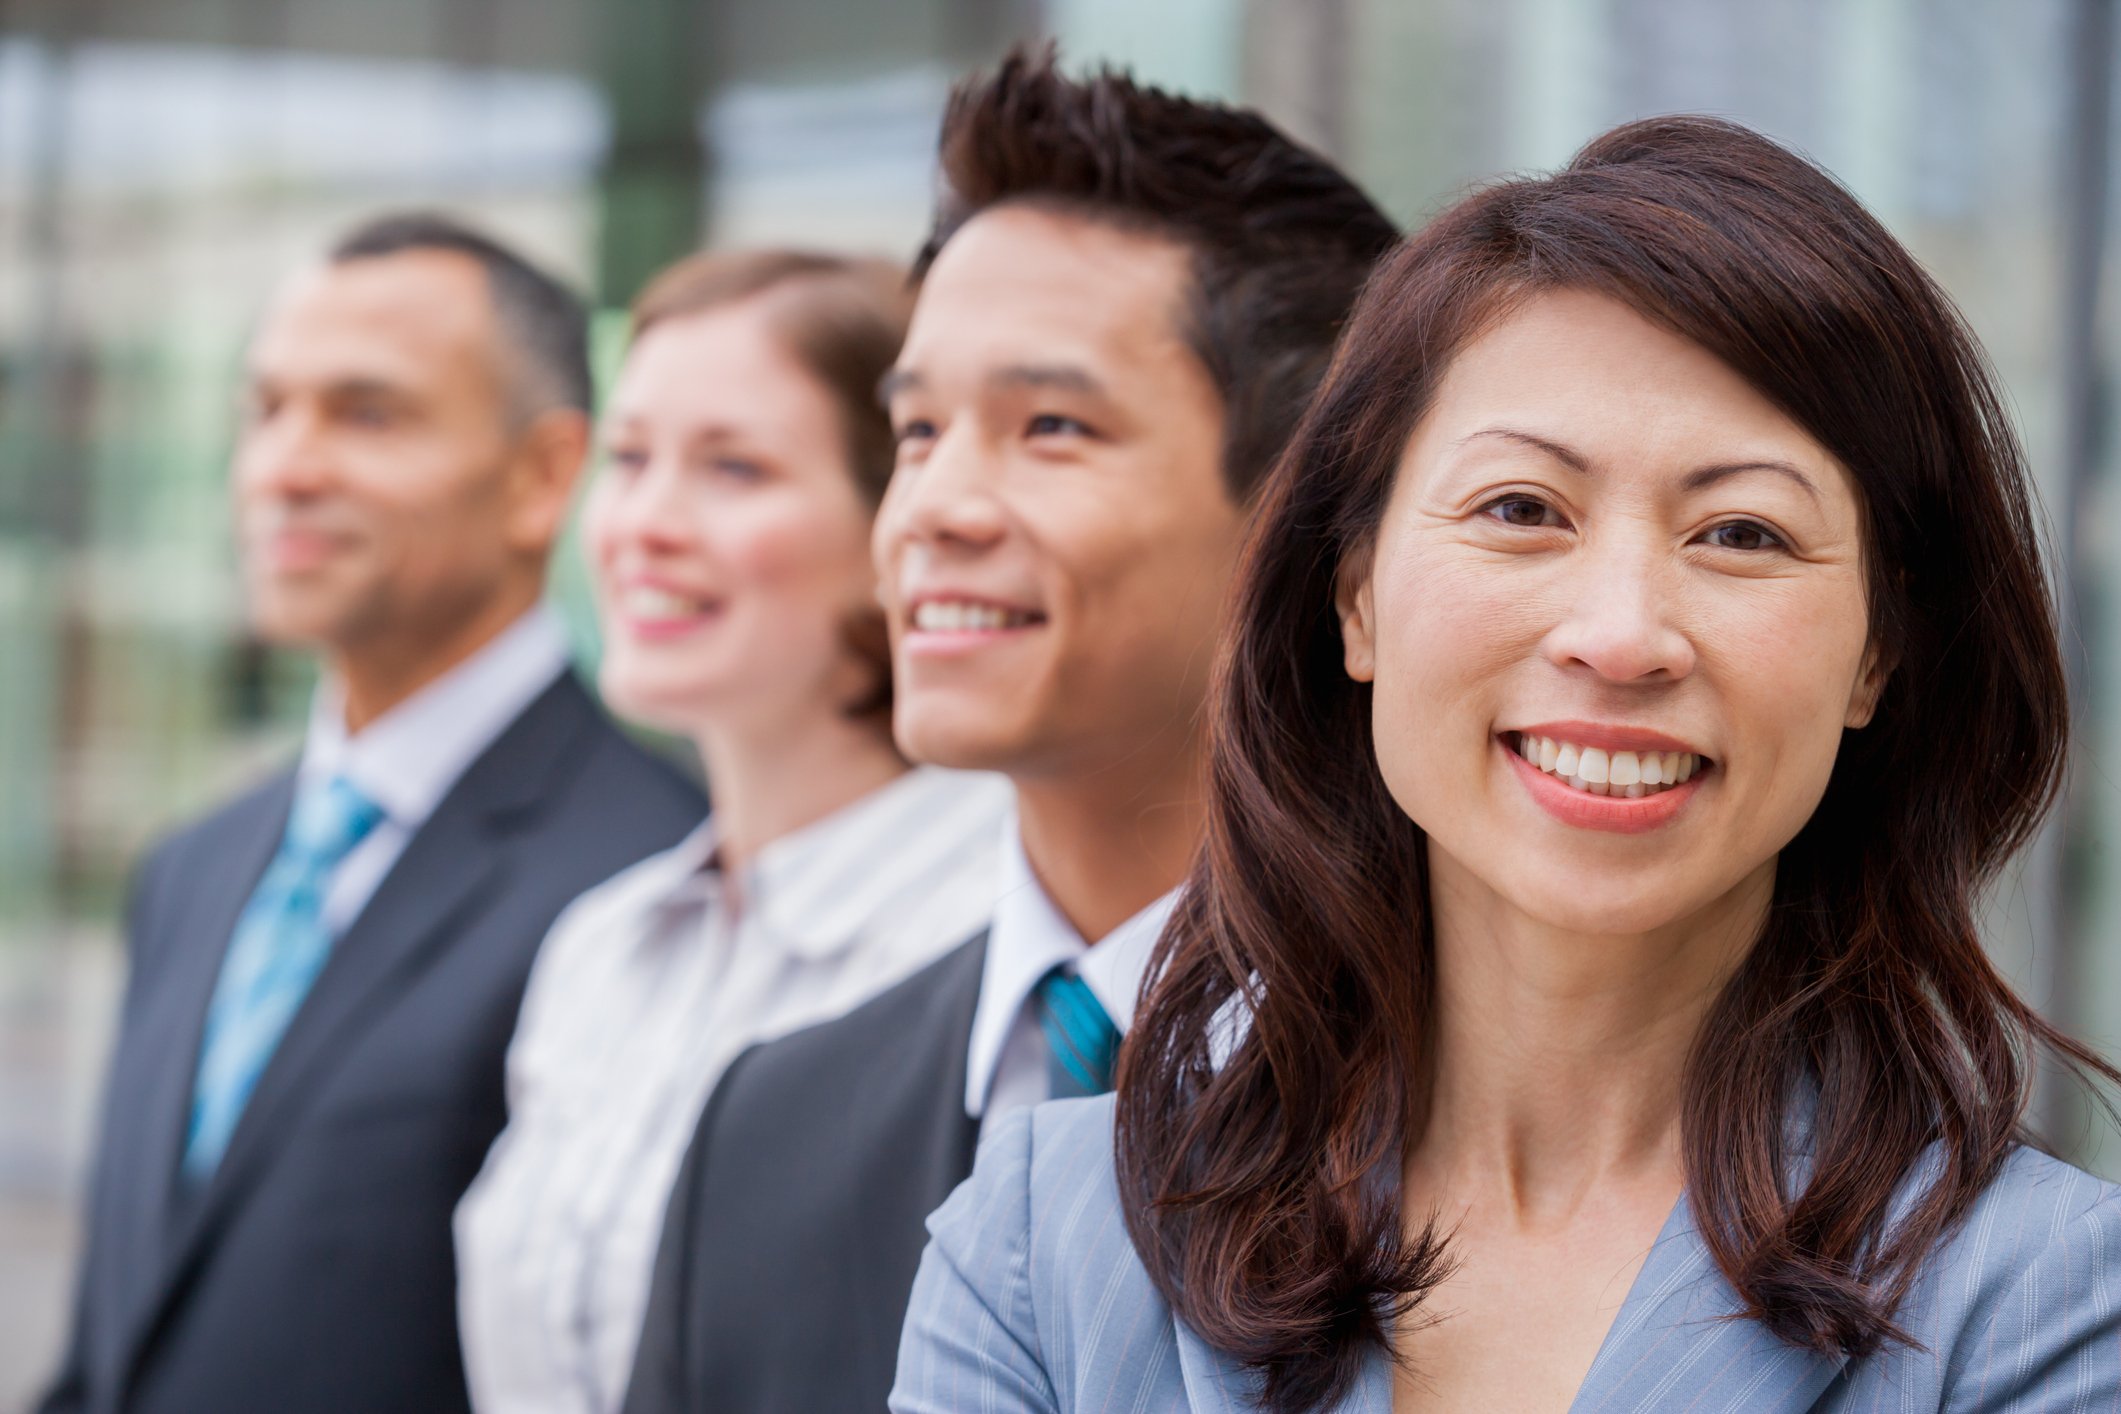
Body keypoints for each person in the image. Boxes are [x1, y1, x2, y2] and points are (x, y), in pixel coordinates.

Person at [894, 115, 2121, 1413]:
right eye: (1522, 510)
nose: (1621, 634)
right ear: (1354, 591)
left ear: (1879, 650)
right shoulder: (1044, 1242)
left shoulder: (2041, 1304)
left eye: (1743, 531)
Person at [617, 50, 1396, 1414]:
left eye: (1049, 426)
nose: (935, 507)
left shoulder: (1499, 1115)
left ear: (1298, 512)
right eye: (916, 431)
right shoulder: (767, 1129)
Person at [39, 216, 705, 1414]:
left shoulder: (657, 878)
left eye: (367, 413)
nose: (284, 467)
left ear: (546, 475)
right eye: (265, 409)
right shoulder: (194, 866)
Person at [452, 249, 1010, 1414]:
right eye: (630, 459)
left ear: (896, 520)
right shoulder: (601, 951)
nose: (645, 523)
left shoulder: (1001, 945)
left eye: (734, 467)